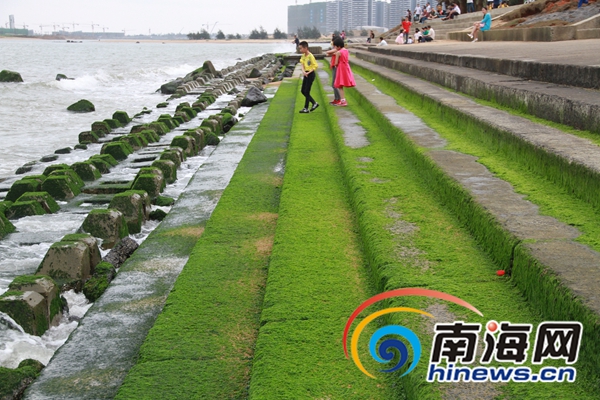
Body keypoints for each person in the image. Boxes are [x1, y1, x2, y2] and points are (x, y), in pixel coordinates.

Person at [332, 36, 356, 107]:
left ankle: (343, 101)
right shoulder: (346, 50)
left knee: (340, 85)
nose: (335, 48)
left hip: (341, 68)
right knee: (341, 84)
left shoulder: (338, 52)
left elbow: (336, 63)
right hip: (346, 67)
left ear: (338, 46)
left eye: (335, 47)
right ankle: (343, 100)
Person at [298, 41, 318, 113]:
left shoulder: (310, 56)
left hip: (310, 74)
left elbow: (315, 66)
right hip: (306, 73)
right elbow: (302, 63)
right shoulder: (303, 56)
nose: (300, 50)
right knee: (303, 91)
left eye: (301, 48)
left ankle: (306, 108)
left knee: (307, 91)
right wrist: (303, 71)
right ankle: (314, 103)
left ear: (305, 48)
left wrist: (308, 72)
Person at [325, 41, 342, 105]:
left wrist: (333, 52)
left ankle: (338, 99)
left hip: (336, 67)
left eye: (334, 46)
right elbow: (328, 54)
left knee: (334, 84)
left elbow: (328, 52)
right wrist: (333, 53)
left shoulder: (338, 50)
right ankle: (336, 98)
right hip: (334, 67)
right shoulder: (336, 51)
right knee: (333, 84)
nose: (334, 47)